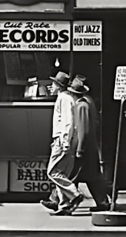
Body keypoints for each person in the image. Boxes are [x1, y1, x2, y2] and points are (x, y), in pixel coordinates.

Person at [68, 77, 110, 212]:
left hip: (84, 147)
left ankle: (59, 200)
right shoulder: (89, 102)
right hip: (90, 146)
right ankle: (103, 201)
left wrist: (79, 148)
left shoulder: (81, 106)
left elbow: (83, 129)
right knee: (92, 177)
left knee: (72, 175)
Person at [46, 71, 84, 215]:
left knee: (53, 172)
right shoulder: (67, 98)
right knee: (62, 173)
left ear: (58, 85)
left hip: (63, 139)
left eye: (53, 84)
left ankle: (74, 194)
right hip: (66, 139)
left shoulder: (64, 98)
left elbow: (68, 121)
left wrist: (65, 141)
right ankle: (64, 205)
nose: (51, 86)